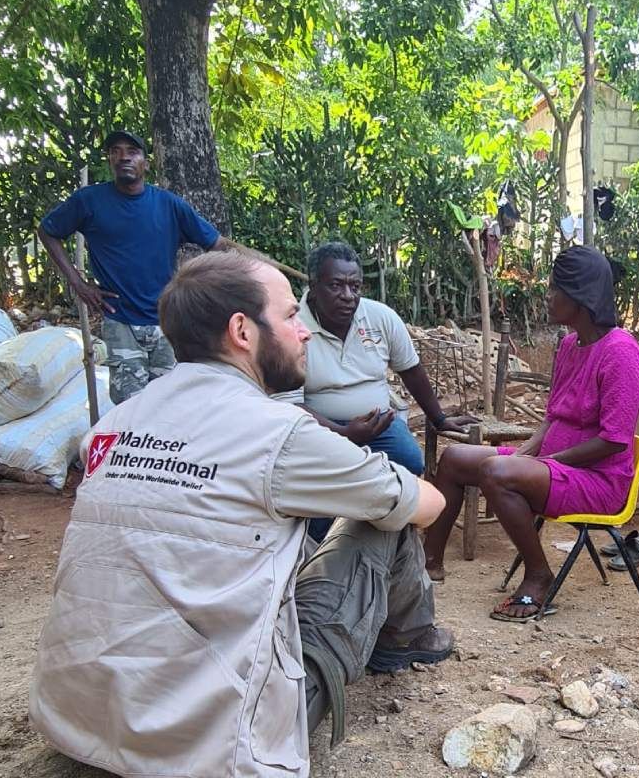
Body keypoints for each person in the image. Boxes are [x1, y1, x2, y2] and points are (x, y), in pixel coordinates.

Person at [29, 251, 454, 778]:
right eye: (291, 316)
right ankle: (407, 639)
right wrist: (385, 488)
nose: (303, 333)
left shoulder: (111, 426)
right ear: (242, 331)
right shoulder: (277, 432)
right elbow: (427, 506)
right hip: (212, 746)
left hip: (77, 720)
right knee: (382, 514)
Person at [422, 246, 639, 622]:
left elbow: (614, 440)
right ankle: (428, 563)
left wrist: (549, 461)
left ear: (579, 295)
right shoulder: (569, 344)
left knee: (497, 472)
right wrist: (528, 453)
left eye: (554, 288)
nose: (547, 296)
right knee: (455, 459)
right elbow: (551, 418)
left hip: (599, 481)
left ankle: (539, 576)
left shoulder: (621, 354)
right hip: (553, 468)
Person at [278, 241, 475, 542]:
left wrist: (438, 418)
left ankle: (381, 537)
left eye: (355, 286)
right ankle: (321, 545)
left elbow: (411, 369)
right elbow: (289, 404)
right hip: (315, 425)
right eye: (336, 285)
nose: (348, 296)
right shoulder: (292, 328)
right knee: (323, 480)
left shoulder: (379, 317)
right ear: (314, 286)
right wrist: (343, 434)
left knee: (410, 462)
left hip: (378, 421)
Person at [38, 130, 239, 404]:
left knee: (172, 403)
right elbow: (48, 231)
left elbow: (215, 244)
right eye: (116, 151)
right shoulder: (89, 201)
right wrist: (79, 284)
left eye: (132, 152)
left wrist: (208, 287)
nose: (123, 158)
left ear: (145, 162)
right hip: (120, 320)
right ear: (109, 160)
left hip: (167, 321)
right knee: (130, 408)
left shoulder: (169, 205)